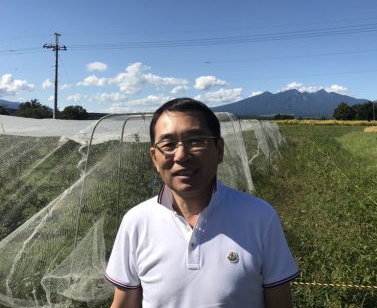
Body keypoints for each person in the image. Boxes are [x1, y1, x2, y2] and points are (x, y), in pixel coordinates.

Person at [105, 98, 298, 308]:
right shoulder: (136, 222)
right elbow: (123, 304)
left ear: (219, 150)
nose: (181, 155)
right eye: (168, 144)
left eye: (196, 141)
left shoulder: (260, 217)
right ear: (154, 158)